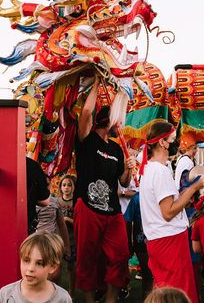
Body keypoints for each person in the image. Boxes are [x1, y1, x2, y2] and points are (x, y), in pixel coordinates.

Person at [73, 81, 136, 303]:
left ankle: (110, 300)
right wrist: (98, 82)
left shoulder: (116, 149)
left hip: (112, 212)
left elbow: (123, 181)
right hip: (87, 207)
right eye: (117, 117)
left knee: (120, 255)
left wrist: (129, 169)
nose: (120, 122)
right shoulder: (86, 140)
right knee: (88, 259)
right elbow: (87, 111)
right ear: (107, 119)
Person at [140, 120, 204, 302]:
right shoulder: (159, 171)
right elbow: (168, 212)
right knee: (177, 293)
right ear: (162, 142)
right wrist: (193, 189)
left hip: (159, 239)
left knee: (164, 292)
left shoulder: (150, 169)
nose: (176, 143)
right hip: (169, 240)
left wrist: (187, 190)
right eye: (173, 139)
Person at [0, 232, 74, 303]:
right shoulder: (6, 294)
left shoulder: (63, 299)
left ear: (53, 267)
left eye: (39, 263)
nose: (30, 268)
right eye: (26, 260)